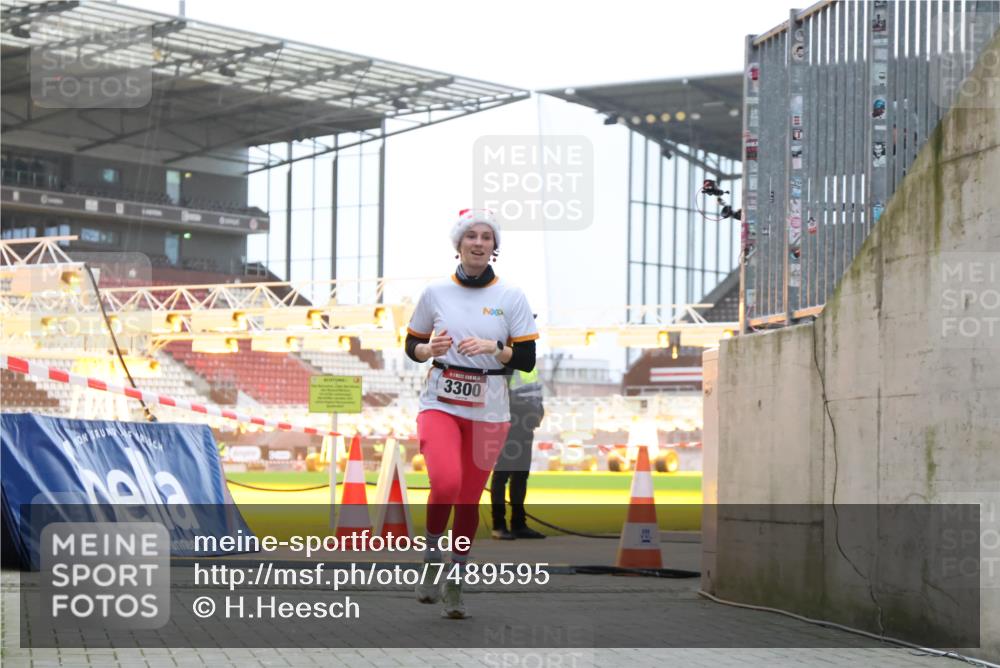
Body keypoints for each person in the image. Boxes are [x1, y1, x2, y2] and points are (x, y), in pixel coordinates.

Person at [404, 208, 538, 619]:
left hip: (490, 412)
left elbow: (528, 359)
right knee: (445, 484)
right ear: (458, 244)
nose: (479, 243)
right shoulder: (435, 292)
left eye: (486, 237)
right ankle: (431, 557)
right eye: (471, 236)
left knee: (466, 501)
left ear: (494, 247)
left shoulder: (511, 296)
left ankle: (456, 580)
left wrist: (496, 349)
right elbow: (411, 346)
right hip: (441, 403)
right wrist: (428, 349)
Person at [490, 367, 546, 540]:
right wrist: (528, 410)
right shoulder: (507, 362)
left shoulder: (529, 365)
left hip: (527, 425)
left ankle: (518, 524)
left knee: (521, 475)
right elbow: (500, 394)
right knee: (502, 475)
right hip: (511, 425)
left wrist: (538, 412)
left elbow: (535, 393)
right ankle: (499, 525)